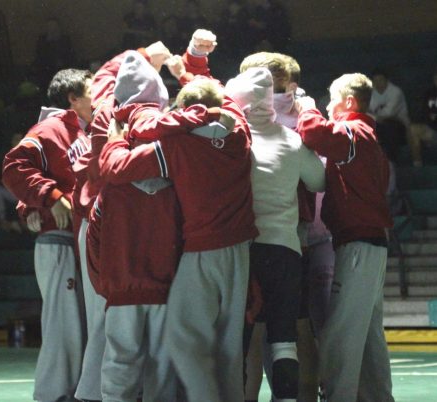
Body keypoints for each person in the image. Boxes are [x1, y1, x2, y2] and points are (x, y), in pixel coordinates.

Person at [98, 73, 258, 402]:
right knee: (229, 345)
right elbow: (223, 103)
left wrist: (115, 137)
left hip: (203, 250)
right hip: (242, 250)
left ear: (182, 112)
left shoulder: (178, 145)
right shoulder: (240, 133)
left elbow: (115, 168)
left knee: (182, 339)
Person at [73, 40, 172, 402]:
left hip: (108, 227)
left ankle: (94, 394)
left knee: (110, 328)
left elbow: (109, 82)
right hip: (136, 232)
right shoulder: (166, 125)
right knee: (149, 343)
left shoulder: (104, 116)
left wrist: (142, 59)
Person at [225, 66, 325, 402]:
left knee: (241, 336)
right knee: (285, 339)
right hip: (286, 250)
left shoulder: (233, 142)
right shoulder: (292, 140)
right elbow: (319, 181)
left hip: (246, 251)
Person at [296, 73, 395, 402]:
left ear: (349, 102)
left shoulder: (353, 131)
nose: (327, 105)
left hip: (358, 244)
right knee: (368, 336)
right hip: (373, 243)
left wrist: (306, 107)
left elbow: (312, 133)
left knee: (340, 334)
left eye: (331, 99)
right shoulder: (371, 139)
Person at [2, 68, 92, 402]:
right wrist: (48, 198)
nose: (98, 96)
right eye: (92, 89)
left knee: (80, 326)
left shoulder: (81, 131)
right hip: (60, 241)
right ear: (73, 98)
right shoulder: (50, 128)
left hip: (80, 241)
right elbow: (14, 167)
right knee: (64, 327)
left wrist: (30, 205)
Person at [369, 69, 410, 163]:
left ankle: (391, 160)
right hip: (378, 123)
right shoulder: (371, 92)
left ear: (387, 80)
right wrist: (375, 117)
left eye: (380, 80)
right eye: (375, 81)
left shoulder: (396, 92)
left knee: (390, 127)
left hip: (399, 123)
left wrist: (374, 116)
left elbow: (389, 113)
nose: (378, 83)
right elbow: (366, 110)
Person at [409, 68, 437, 166]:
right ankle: (417, 165)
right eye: (436, 78)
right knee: (412, 129)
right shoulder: (429, 94)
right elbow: (426, 114)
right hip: (432, 131)